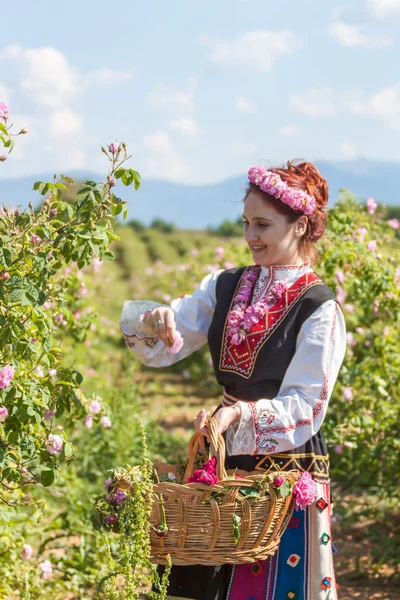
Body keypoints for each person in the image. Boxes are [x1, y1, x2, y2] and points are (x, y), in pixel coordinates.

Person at [120, 160, 346, 600]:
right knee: (208, 568)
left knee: (273, 583)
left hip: (286, 462)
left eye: (263, 224)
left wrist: (240, 416)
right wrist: (158, 319)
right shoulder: (225, 286)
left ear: (300, 226)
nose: (250, 236)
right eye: (246, 223)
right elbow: (170, 338)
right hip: (222, 456)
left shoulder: (318, 307)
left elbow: (306, 405)